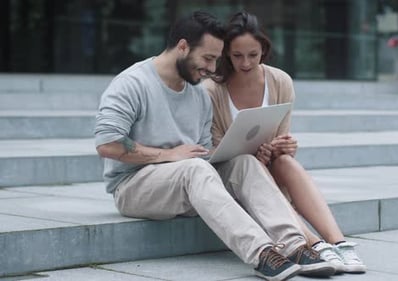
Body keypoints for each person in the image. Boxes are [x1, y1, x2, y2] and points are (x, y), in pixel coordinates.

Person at [94, 11, 336, 281]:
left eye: (216, 60)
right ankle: (262, 253)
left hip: (187, 182)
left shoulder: (198, 92)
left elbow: (206, 154)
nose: (211, 69)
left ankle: (295, 245)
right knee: (194, 169)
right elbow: (107, 144)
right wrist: (168, 155)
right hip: (134, 187)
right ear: (183, 47)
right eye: (208, 58)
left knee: (243, 163)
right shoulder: (132, 83)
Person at [203, 10, 366, 274]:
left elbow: (280, 135)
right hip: (235, 177)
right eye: (237, 56)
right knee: (251, 166)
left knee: (287, 162)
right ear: (225, 54)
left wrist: (284, 146)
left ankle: (339, 242)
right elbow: (217, 152)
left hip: (270, 167)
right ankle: (314, 244)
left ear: (264, 50)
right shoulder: (212, 90)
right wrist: (257, 157)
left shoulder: (279, 81)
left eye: (253, 55)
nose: (245, 63)